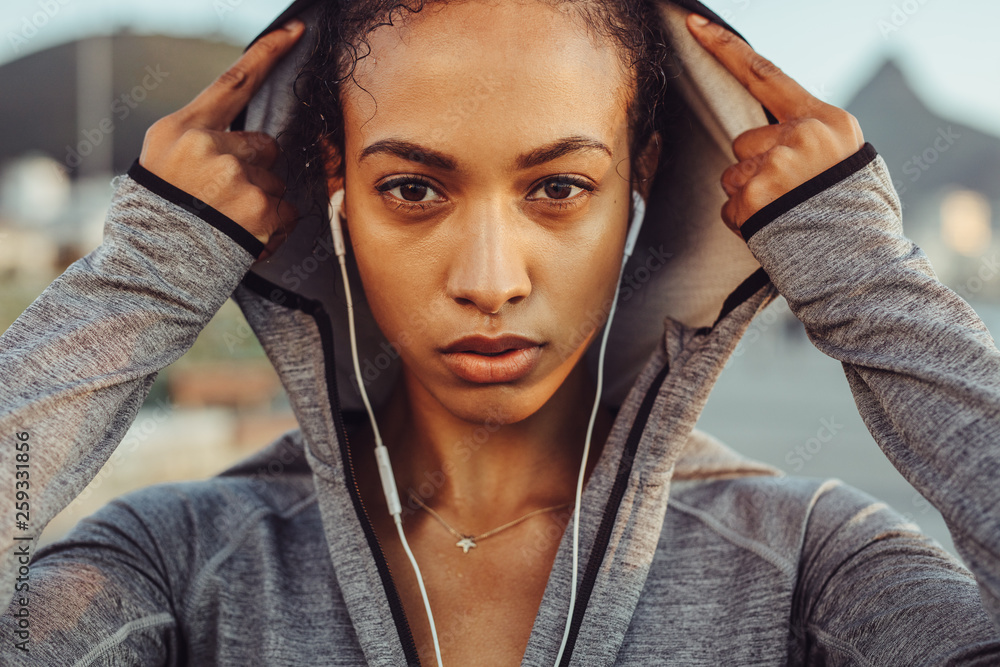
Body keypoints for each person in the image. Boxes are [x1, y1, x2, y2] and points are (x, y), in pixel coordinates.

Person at [2, 0, 1000, 664]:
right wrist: (144, 278)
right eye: (413, 188)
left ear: (641, 176)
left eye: (558, 187)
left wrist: (865, 279)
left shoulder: (806, 561)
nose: (490, 281)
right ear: (334, 181)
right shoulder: (173, 561)